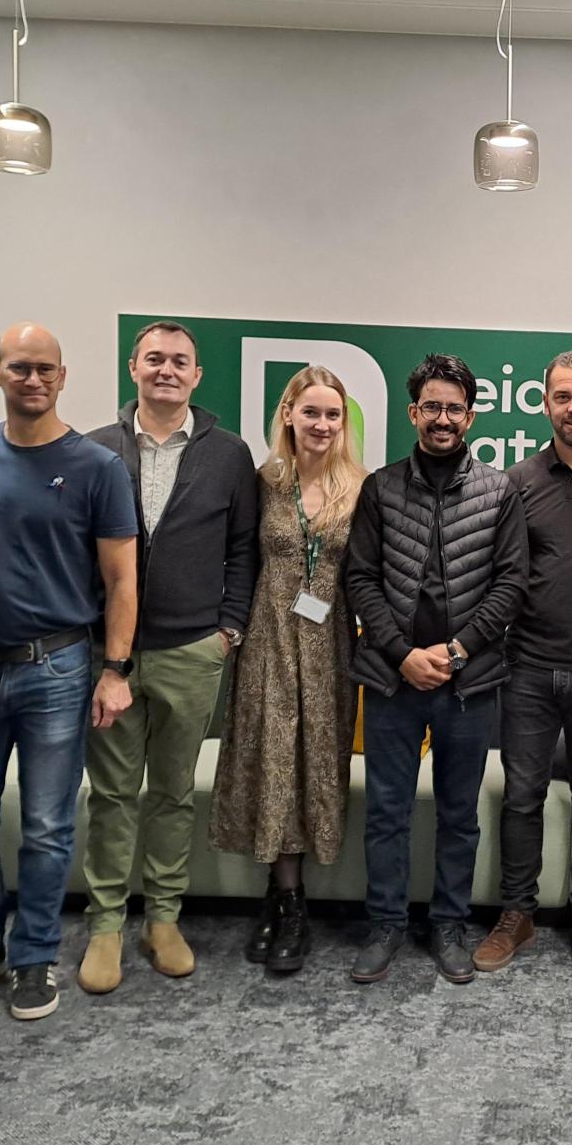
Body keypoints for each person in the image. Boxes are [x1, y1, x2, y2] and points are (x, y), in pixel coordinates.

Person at [0, 323, 138, 1023]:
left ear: (64, 376)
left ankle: (35, 954)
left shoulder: (97, 466)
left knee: (47, 825)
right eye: (20, 367)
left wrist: (115, 670)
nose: (33, 379)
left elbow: (121, 578)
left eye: (45, 368)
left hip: (59, 668)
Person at [76, 321, 259, 994]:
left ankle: (164, 919)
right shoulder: (95, 449)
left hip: (192, 651)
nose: (166, 370)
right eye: (154, 359)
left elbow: (244, 550)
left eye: (180, 361)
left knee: (175, 795)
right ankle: (104, 927)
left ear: (197, 375)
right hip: (111, 657)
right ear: (133, 367)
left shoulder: (229, 453)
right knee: (113, 794)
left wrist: (228, 630)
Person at [342, 354, 527, 984]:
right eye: (432, 407)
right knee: (387, 810)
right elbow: (360, 579)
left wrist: (454, 652)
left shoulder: (499, 490)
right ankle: (387, 923)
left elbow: (511, 584)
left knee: (458, 812)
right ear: (414, 412)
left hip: (468, 682)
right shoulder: (381, 488)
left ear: (470, 416)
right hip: (393, 679)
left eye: (455, 408)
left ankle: (449, 924)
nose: (443, 419)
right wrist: (402, 653)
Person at [473, 350, 572, 982]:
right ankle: (517, 912)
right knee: (522, 796)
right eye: (562, 397)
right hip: (528, 667)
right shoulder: (516, 482)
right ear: (544, 404)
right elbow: (500, 576)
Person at [212, 366, 365, 974]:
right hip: (269, 643)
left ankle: (292, 898)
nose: (322, 424)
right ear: (288, 416)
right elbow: (237, 560)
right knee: (270, 764)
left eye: (332, 414)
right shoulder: (263, 483)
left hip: (331, 649)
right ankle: (282, 896)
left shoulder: (363, 487)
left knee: (314, 766)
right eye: (311, 413)